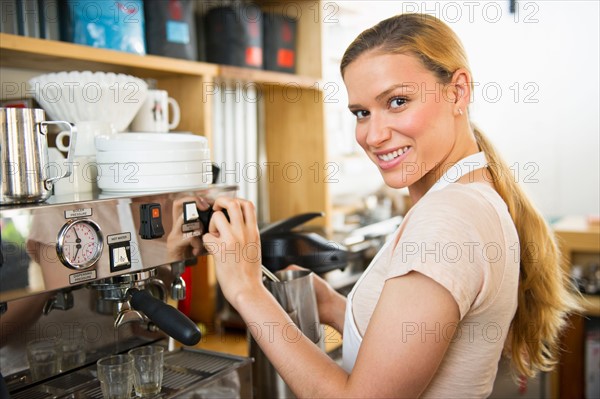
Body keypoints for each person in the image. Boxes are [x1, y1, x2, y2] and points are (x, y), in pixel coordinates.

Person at [201, 13, 580, 398]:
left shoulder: (447, 219)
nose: (374, 135)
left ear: (458, 91)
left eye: (398, 101)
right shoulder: (470, 196)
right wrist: (334, 306)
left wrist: (247, 290)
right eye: (362, 113)